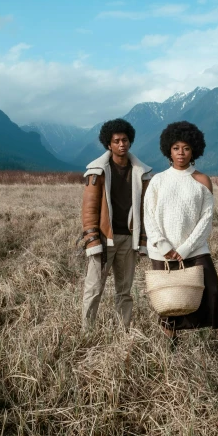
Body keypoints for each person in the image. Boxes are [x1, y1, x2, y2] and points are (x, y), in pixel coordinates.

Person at [143, 121, 218, 357]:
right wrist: (164, 246)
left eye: (185, 148)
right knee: (169, 298)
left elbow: (206, 220)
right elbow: (149, 217)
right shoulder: (158, 181)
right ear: (168, 150)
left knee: (212, 293)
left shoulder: (202, 181)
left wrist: (184, 249)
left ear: (194, 149)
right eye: (176, 148)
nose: (181, 153)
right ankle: (171, 346)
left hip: (194, 250)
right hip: (162, 251)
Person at [81, 118, 153, 330]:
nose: (122, 144)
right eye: (117, 141)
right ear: (109, 144)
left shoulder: (142, 172)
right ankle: (87, 331)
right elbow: (89, 209)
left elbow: (144, 209)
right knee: (94, 288)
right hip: (104, 238)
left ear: (130, 142)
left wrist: (143, 240)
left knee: (125, 290)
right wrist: (92, 240)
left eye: (125, 140)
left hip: (128, 239)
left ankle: (123, 331)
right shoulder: (97, 171)